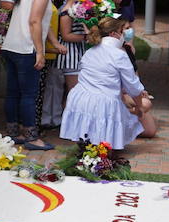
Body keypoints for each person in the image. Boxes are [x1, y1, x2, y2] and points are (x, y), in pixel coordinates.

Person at [60, 13, 154, 150]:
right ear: (114, 34)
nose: (126, 34)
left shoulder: (90, 52)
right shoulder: (119, 55)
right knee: (140, 108)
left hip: (79, 100)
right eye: (123, 31)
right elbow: (133, 87)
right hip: (103, 102)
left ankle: (91, 146)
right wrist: (139, 106)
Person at [1, 0, 55, 150]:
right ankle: (32, 136)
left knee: (13, 92)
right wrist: (40, 51)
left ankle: (13, 132)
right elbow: (35, 20)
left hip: (11, 46)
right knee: (28, 95)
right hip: (26, 47)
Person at [57, 0, 102, 93]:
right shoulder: (68, 9)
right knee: (74, 91)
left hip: (86, 47)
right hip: (73, 51)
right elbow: (66, 34)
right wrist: (87, 36)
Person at [39, 0, 70, 129]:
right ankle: (45, 117)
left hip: (58, 41)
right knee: (47, 83)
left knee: (57, 82)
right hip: (48, 41)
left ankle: (55, 116)